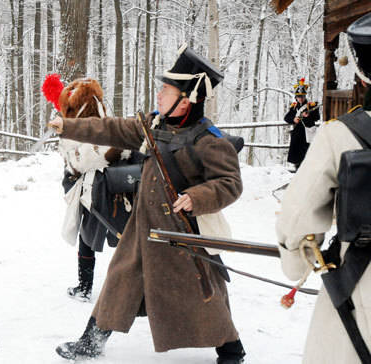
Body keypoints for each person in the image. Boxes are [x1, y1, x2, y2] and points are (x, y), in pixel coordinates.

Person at [49, 45, 246, 363]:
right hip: (144, 225)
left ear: (186, 99)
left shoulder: (209, 140)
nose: (158, 96)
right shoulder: (154, 125)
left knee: (205, 290)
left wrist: (197, 197)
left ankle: (231, 348)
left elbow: (230, 184)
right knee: (119, 279)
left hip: (184, 233)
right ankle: (92, 341)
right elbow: (112, 128)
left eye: (165, 91)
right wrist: (68, 126)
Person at [277, 12, 371, 363]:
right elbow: (293, 121)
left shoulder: (341, 134)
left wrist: (296, 266)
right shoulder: (303, 111)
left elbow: (298, 217)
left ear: (361, 71)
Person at [43, 75, 142, 301]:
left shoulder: (98, 128)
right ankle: (87, 287)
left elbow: (82, 162)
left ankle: (103, 288)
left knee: (109, 239)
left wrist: (72, 162)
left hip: (100, 189)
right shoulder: (103, 121)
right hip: (105, 188)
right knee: (98, 238)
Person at [283, 78, 320, 171]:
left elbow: (317, 117)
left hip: (307, 133)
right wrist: (294, 119)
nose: (300, 98)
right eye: (299, 96)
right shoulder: (294, 107)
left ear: (305, 96)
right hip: (297, 133)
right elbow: (286, 118)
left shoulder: (311, 106)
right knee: (297, 155)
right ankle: (297, 169)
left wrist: (308, 116)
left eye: (302, 96)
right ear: (296, 97)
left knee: (307, 153)